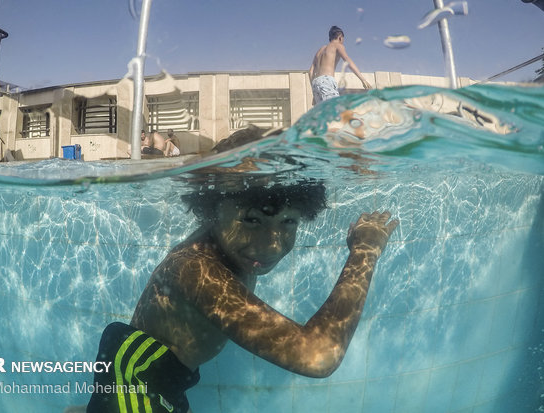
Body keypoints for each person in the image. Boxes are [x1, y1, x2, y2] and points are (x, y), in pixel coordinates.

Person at [87, 147, 397, 413]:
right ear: (210, 210)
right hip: (136, 381)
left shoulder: (228, 246)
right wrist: (365, 251)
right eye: (252, 220)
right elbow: (317, 356)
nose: (272, 244)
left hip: (159, 379)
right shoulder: (196, 269)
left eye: (288, 221)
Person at [309, 26, 372, 105]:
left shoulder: (321, 50)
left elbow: (310, 72)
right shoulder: (337, 45)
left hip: (315, 83)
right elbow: (348, 61)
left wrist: (314, 92)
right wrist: (362, 79)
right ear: (340, 38)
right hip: (326, 81)